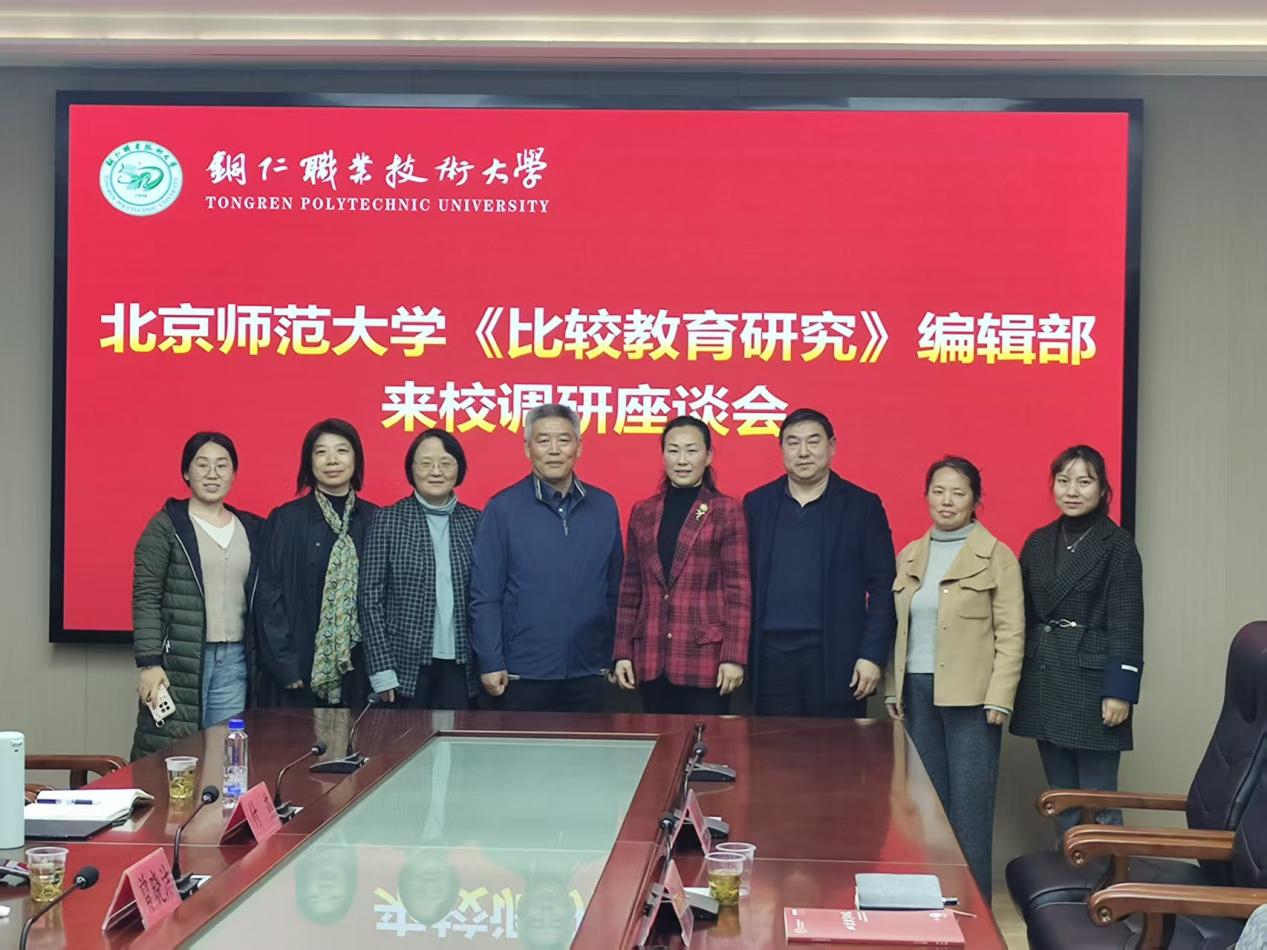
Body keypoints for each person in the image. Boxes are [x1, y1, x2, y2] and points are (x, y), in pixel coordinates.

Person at [884, 456, 1024, 900]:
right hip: (917, 691)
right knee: (925, 808)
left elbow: (1012, 633)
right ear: (926, 496)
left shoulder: (997, 556)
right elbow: (899, 628)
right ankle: (935, 904)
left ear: (975, 500)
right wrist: (894, 687)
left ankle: (974, 910)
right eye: (938, 491)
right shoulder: (910, 554)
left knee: (969, 811)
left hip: (973, 699)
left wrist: (1000, 697)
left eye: (958, 493)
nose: (947, 501)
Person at [1010, 445, 1144, 835]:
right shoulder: (1038, 542)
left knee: (1099, 800)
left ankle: (1109, 872)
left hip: (1093, 683)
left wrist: (1119, 691)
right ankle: (1068, 868)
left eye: (1084, 482)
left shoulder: (1117, 545)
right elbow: (1021, 614)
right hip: (1044, 676)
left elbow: (1127, 621)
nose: (1072, 491)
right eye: (1063, 480)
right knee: (1062, 797)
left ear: (1102, 490)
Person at [470, 404, 623, 713]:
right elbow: (485, 595)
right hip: (522, 673)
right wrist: (491, 660)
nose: (554, 450)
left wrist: (613, 653)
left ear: (579, 446)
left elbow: (614, 589)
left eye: (564, 440)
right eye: (543, 441)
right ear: (527, 448)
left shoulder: (604, 506)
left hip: (589, 671)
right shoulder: (502, 508)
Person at [744, 408, 897, 718]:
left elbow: (884, 587)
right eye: (793, 443)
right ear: (781, 449)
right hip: (770, 659)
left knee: (836, 749)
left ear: (832, 446)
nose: (803, 452)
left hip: (837, 658)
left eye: (813, 442)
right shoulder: (757, 504)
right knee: (772, 747)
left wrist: (872, 655)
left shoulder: (862, 506)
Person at [131, 432, 263, 759]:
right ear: (186, 472)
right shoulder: (166, 526)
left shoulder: (251, 528)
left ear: (234, 473)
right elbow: (146, 596)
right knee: (174, 757)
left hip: (234, 660)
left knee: (225, 754)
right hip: (180, 660)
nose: (212, 474)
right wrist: (149, 663)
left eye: (222, 465)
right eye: (202, 465)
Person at [612, 416, 750, 714]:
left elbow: (738, 591)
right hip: (651, 657)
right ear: (663, 455)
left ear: (708, 456)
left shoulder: (726, 510)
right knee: (659, 741)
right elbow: (630, 589)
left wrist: (733, 656)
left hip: (706, 659)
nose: (682, 460)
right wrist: (622, 650)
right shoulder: (644, 511)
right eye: (673, 450)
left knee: (707, 741)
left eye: (691, 450)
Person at [256, 419, 377, 709]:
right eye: (321, 452)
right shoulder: (286, 519)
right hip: (300, 669)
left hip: (360, 670)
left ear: (356, 459)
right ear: (309, 462)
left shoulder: (375, 519)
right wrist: (285, 664)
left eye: (342, 451)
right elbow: (268, 596)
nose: (332, 460)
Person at [359, 429, 482, 709]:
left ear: (459, 469)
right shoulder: (388, 519)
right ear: (411, 469)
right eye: (426, 463)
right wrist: (381, 668)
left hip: (463, 663)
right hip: (403, 664)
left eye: (446, 463)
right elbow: (370, 599)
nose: (435, 471)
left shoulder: (477, 522)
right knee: (406, 736)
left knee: (455, 735)